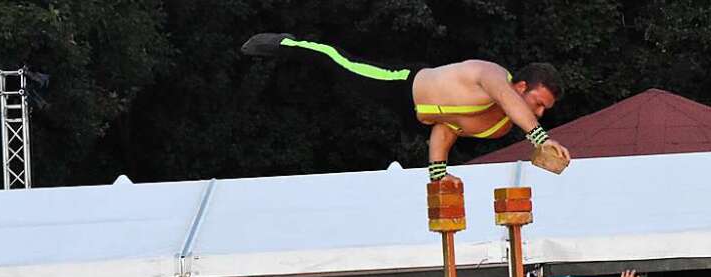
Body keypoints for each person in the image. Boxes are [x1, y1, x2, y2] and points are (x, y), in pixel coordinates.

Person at [242, 34, 569, 180]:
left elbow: (447, 128)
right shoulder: (495, 75)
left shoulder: (500, 126)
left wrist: (438, 173)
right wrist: (541, 138)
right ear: (522, 86)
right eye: (538, 104)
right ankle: (289, 43)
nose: (539, 114)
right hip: (402, 84)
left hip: (417, 119)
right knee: (338, 62)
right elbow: (507, 99)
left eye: (543, 111)